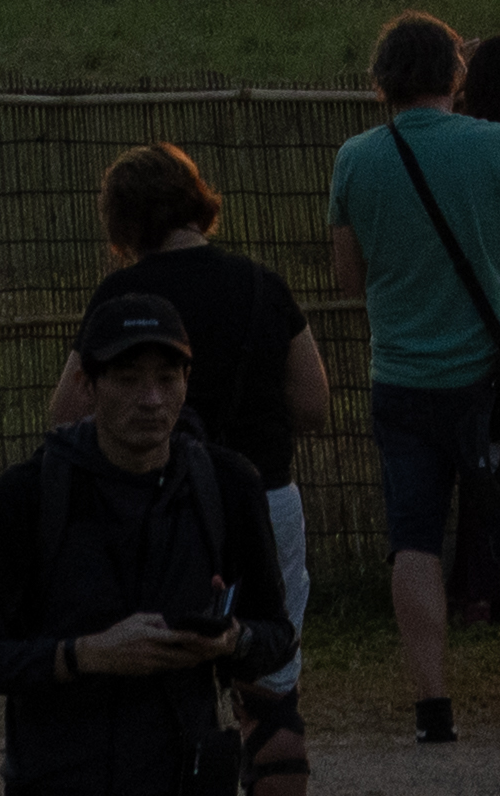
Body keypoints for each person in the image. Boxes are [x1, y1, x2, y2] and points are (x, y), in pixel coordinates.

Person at [0, 276, 282, 796]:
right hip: (63, 777)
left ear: (187, 381)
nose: (151, 399)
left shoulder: (227, 485)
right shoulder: (29, 495)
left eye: (167, 378)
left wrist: (231, 640)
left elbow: (277, 637)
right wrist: (85, 655)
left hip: (189, 776)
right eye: (128, 378)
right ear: (87, 384)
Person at [330, 13, 500, 745]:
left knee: (413, 539)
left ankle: (432, 708)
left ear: (381, 79)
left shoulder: (355, 159)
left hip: (400, 377)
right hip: (488, 380)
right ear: (457, 77)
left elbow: (348, 276)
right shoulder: (496, 146)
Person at [78, 147, 322, 746]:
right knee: (270, 685)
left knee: (163, 680)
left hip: (157, 510)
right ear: (198, 203)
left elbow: (67, 412)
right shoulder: (264, 287)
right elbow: (314, 405)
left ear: (125, 221)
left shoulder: (122, 296)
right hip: (266, 498)